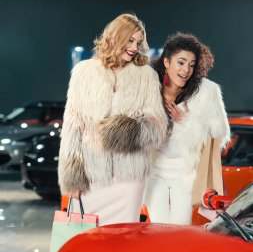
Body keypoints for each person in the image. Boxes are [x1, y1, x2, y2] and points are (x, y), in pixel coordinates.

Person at [58, 13, 168, 226]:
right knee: (91, 242)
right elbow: (72, 128)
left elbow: (157, 126)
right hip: (92, 177)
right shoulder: (83, 72)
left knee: (123, 240)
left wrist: (120, 132)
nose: (135, 47)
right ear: (116, 36)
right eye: (130, 40)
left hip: (129, 179)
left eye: (138, 42)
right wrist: (72, 176)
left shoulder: (146, 75)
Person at [143, 32, 230, 225]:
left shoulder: (205, 92)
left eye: (191, 65)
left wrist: (186, 122)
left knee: (180, 227)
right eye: (181, 63)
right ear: (166, 62)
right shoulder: (148, 89)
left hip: (185, 172)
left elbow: (219, 133)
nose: (186, 70)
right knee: (158, 227)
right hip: (154, 171)